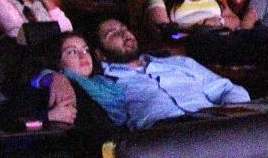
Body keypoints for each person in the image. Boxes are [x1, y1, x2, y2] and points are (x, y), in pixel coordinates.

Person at [96, 18, 249, 130]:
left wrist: (229, 115)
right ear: (100, 54)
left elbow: (227, 89)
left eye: (124, 28)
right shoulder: (105, 84)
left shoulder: (178, 63)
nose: (124, 34)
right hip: (166, 137)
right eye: (112, 33)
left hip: (213, 123)